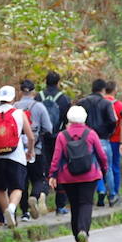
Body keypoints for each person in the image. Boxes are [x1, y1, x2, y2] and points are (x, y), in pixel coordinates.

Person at [49, 105, 109, 242]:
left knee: (74, 205)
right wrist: (104, 169)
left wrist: (52, 174)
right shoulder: (91, 133)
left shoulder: (62, 136)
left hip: (68, 176)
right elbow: (101, 155)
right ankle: (83, 230)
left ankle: (77, 236)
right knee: (86, 203)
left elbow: (56, 158)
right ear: (84, 118)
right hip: (89, 175)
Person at [0, 86, 35, 228]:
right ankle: (11, 209)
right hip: (16, 156)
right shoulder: (19, 113)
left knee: (1, 189)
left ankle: (8, 219)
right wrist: (30, 151)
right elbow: (30, 137)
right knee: (18, 187)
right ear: (13, 98)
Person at [13, 79, 53, 221]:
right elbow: (48, 128)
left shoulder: (14, 107)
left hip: (17, 152)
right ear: (34, 91)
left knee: (21, 181)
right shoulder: (39, 107)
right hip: (36, 149)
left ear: (20, 91)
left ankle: (24, 213)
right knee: (38, 178)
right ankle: (34, 197)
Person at [77, 79, 118, 207]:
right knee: (108, 168)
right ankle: (112, 195)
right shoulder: (106, 103)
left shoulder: (82, 103)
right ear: (104, 89)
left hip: (86, 139)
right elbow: (113, 120)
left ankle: (100, 190)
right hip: (103, 139)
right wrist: (108, 132)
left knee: (93, 167)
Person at [41, 71, 72, 214]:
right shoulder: (63, 99)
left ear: (45, 81)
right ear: (58, 82)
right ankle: (60, 205)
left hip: (41, 138)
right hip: (58, 138)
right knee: (60, 168)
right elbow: (67, 120)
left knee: (44, 168)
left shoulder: (38, 97)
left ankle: (41, 195)